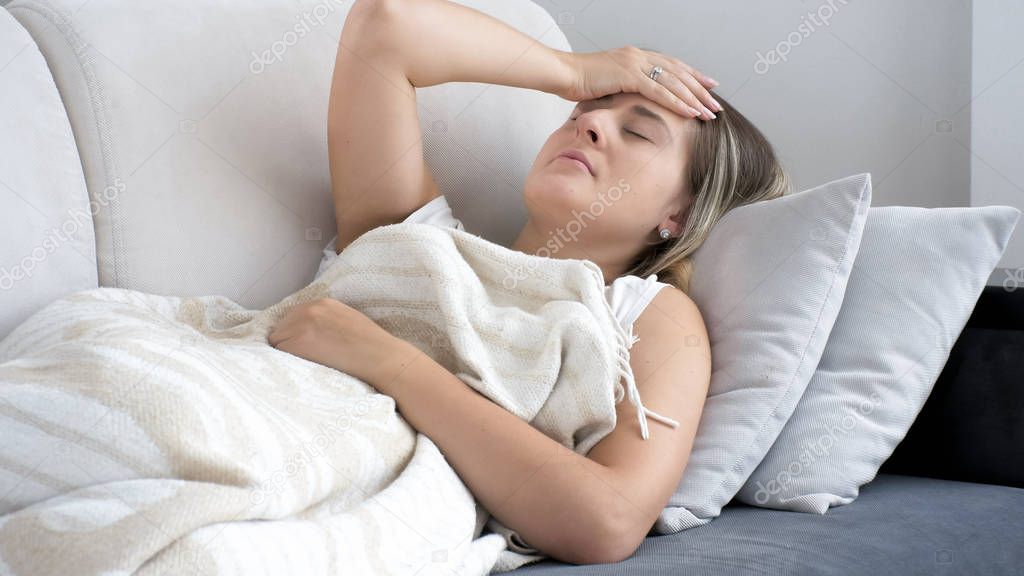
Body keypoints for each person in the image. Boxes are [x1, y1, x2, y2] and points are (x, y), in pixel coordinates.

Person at [268, 0, 788, 566]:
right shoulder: (417, 243)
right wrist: (575, 73)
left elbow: (608, 521)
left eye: (637, 133)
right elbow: (383, 27)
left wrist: (381, 359)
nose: (589, 121)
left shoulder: (644, 315)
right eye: (581, 112)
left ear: (679, 218)